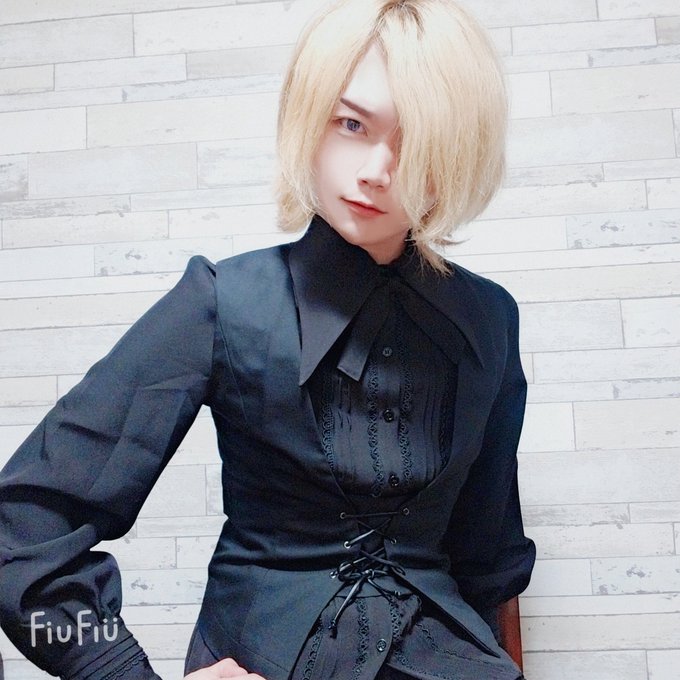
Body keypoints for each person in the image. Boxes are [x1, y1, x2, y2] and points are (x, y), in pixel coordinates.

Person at [0, 0, 536, 678]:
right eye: (351, 123)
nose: (376, 170)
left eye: (417, 139)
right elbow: (20, 533)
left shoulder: (488, 318)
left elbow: (489, 559)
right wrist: (119, 672)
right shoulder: (223, 303)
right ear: (310, 116)